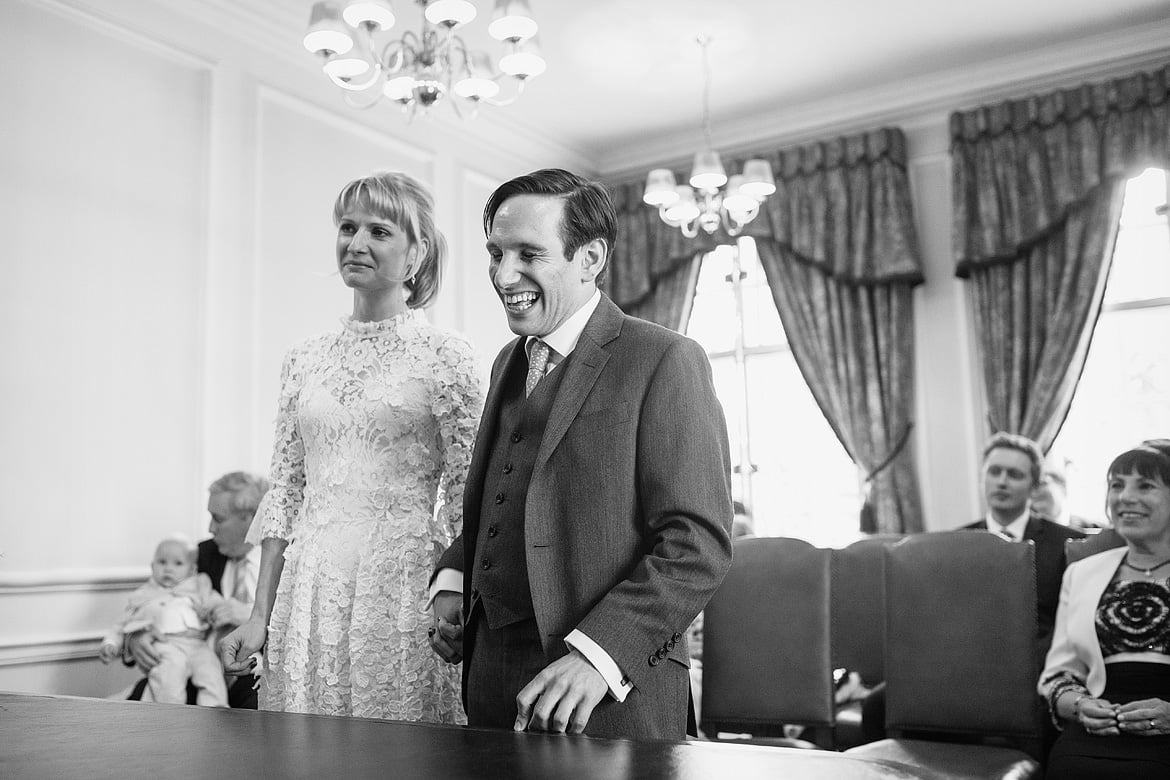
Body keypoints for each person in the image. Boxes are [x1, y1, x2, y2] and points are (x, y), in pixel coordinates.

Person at [426, 168, 733, 740]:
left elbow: (697, 545)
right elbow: (504, 502)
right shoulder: (504, 364)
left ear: (590, 257)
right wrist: (453, 584)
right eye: (495, 252)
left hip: (610, 702)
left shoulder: (665, 360)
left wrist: (599, 655)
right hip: (490, 682)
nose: (503, 274)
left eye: (528, 254)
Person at [219, 172, 483, 723]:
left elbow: (467, 500)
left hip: (403, 584)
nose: (356, 243)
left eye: (379, 231)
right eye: (347, 227)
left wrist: (459, 604)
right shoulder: (302, 359)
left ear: (417, 252)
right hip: (309, 585)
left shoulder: (446, 357)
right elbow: (286, 491)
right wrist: (258, 614)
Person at [1039, 441, 1170, 778]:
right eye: (1117, 485)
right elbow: (1059, 674)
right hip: (1099, 726)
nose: (1125, 497)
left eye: (1145, 486)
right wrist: (1080, 706)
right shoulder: (1080, 573)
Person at [125, 471, 269, 708]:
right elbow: (153, 595)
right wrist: (135, 637)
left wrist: (250, 617)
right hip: (197, 668)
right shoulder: (199, 555)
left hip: (258, 677)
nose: (211, 528)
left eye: (218, 518)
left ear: (251, 519)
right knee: (142, 700)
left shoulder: (288, 562)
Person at [962, 432, 1086, 653]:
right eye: (994, 472)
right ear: (982, 478)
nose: (1001, 482)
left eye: (1014, 475)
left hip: (1045, 662)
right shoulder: (957, 543)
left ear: (1035, 486)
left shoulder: (1068, 543)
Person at [101, 535, 229, 707]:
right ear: (152, 566)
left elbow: (221, 606)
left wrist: (210, 610)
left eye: (177, 564)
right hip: (167, 644)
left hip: (198, 644)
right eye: (162, 562)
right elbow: (121, 623)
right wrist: (111, 643)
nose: (168, 569)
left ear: (192, 569)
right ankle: (170, 713)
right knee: (169, 676)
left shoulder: (199, 587)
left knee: (211, 671)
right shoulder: (144, 595)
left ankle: (215, 713)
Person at [1033, 454, 1104, 532]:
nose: (1035, 491)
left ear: (1063, 488)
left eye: (1042, 483)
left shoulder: (1093, 529)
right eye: (1033, 486)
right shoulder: (1024, 534)